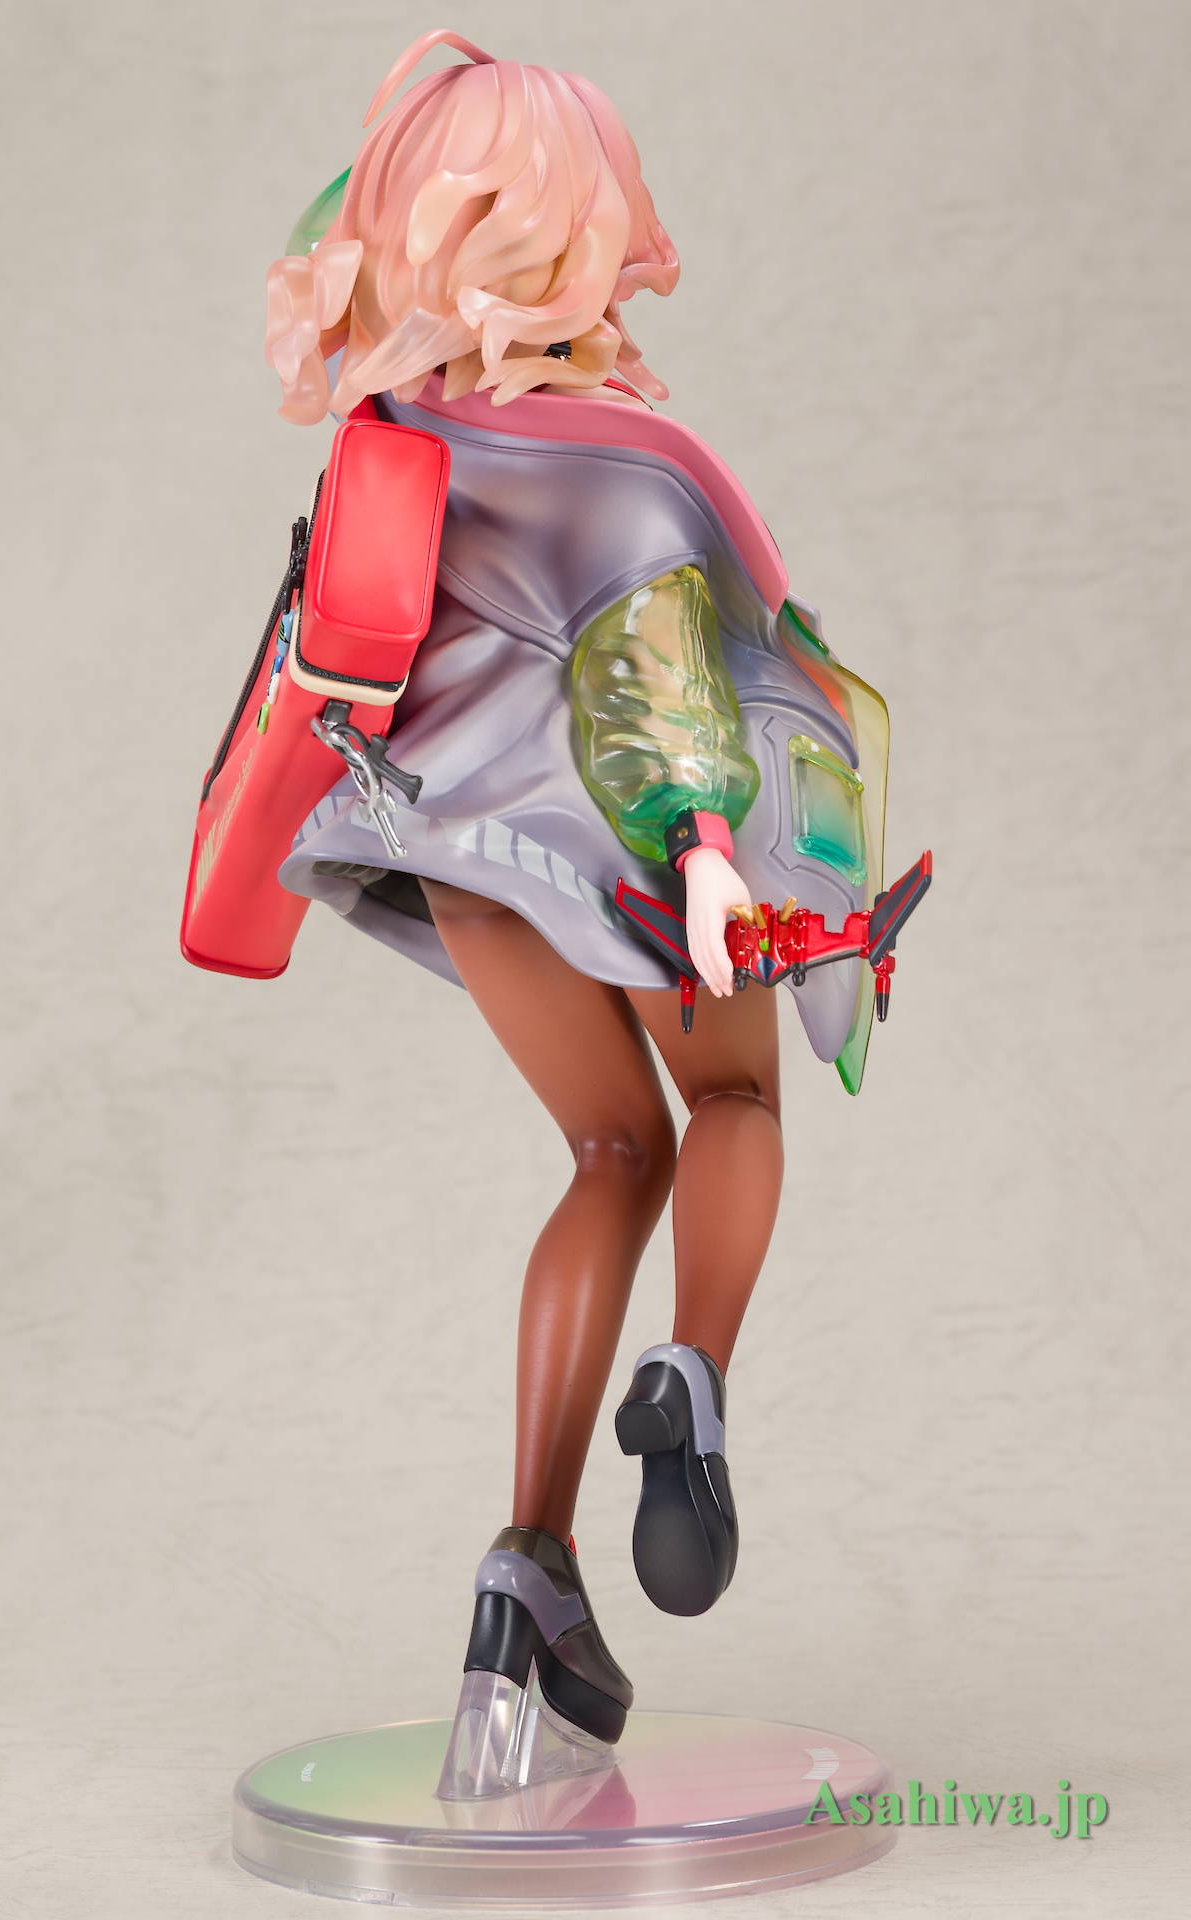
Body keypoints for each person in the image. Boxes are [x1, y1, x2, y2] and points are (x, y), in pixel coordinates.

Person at [263, 28, 890, 1758]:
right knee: (733, 1103)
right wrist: (705, 857)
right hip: (642, 860)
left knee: (612, 1152)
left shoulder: (395, 433)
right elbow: (655, 676)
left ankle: (522, 1571)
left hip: (462, 854)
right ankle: (691, 1376)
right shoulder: (626, 466)